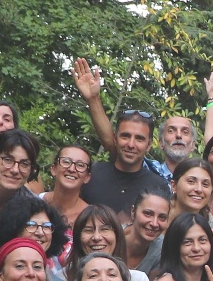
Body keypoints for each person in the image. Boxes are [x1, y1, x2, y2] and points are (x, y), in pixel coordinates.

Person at [71, 59, 171, 213]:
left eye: (139, 139)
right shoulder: (91, 175)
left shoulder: (158, 186)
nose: (131, 144)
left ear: (149, 145)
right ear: (115, 139)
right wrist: (92, 99)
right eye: (125, 136)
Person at [69, 205, 152, 281]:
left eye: (105, 229)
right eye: (88, 230)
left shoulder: (138, 280)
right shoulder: (63, 278)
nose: (97, 237)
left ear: (117, 235)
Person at [42, 145, 92, 226]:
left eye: (80, 165)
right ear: (53, 169)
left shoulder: (90, 217)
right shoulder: (34, 202)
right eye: (66, 162)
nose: (71, 169)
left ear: (87, 177)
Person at [167, 159, 213, 224]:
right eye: (191, 181)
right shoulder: (158, 215)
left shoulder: (209, 222)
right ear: (174, 185)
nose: (199, 189)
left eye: (205, 184)